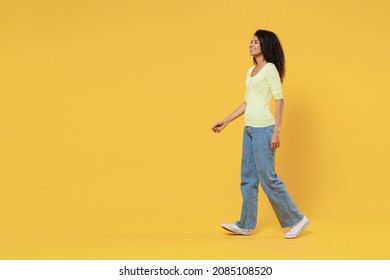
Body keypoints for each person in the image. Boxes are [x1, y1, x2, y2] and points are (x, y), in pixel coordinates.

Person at [211, 29, 309, 239]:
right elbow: (247, 102)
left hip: (264, 129)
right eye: (251, 41)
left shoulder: (270, 69)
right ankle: (245, 224)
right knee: (247, 178)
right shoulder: (251, 71)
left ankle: (297, 219)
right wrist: (226, 121)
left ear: (265, 45)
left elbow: (280, 100)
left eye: (256, 42)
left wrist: (277, 132)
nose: (251, 44)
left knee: (268, 178)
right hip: (249, 129)